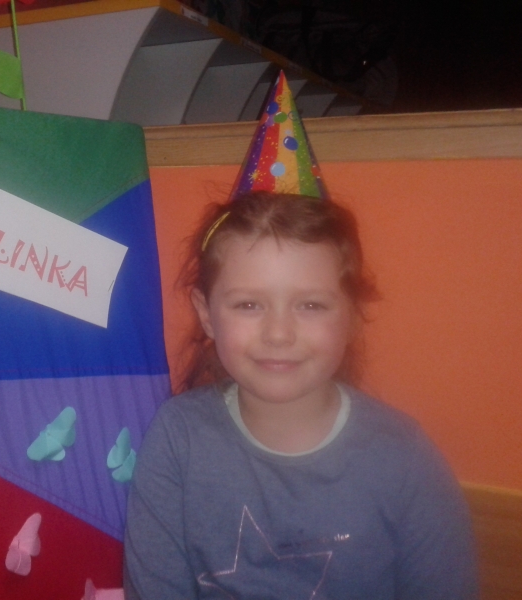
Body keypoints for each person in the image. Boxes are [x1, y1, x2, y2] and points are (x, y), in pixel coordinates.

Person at [123, 72, 478, 600]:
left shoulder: (404, 461)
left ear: (351, 315)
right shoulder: (177, 440)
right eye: (248, 304)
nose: (279, 332)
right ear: (206, 314)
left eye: (310, 305)